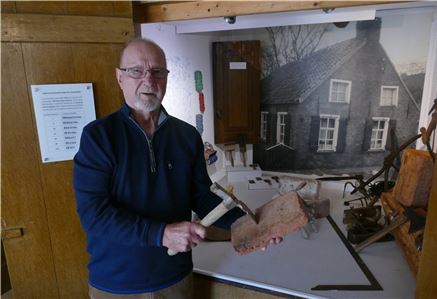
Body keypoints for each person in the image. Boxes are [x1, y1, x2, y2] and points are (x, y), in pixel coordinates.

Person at [73, 38, 281, 299]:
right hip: (116, 285)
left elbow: (204, 198)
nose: (149, 80)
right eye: (137, 70)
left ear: (166, 78)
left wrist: (250, 227)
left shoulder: (186, 136)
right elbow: (94, 215)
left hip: (175, 279)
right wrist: (160, 234)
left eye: (158, 71)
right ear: (119, 77)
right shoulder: (98, 137)